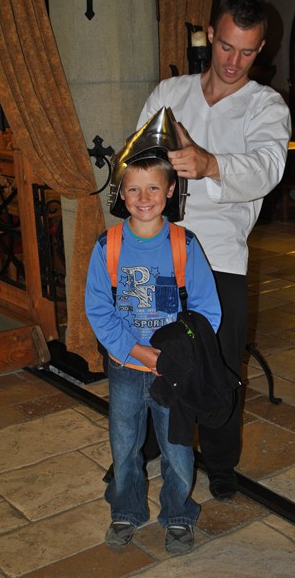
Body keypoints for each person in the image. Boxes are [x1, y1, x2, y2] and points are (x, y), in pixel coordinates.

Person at [137, 0, 292, 500]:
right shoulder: (171, 92)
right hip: (159, 248)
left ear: (260, 49)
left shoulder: (266, 105)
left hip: (220, 255)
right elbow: (138, 157)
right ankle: (143, 448)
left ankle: (222, 464)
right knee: (150, 357)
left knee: (221, 366)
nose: (232, 61)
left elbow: (267, 169)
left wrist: (209, 164)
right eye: (226, 46)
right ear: (210, 34)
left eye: (246, 52)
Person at [85, 109, 222, 554]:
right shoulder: (107, 246)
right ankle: (126, 509)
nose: (143, 198)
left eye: (153, 188)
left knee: (177, 446)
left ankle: (178, 514)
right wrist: (136, 351)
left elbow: (206, 311)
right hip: (125, 367)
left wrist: (177, 357)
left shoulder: (186, 245)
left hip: (173, 373)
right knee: (124, 445)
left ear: (170, 190)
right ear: (120, 193)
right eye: (133, 188)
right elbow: (98, 309)